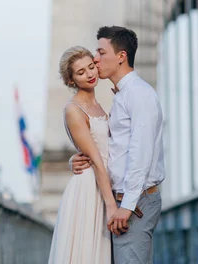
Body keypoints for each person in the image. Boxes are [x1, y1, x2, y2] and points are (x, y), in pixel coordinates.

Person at [70, 26, 165, 263]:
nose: (95, 58)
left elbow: (140, 153)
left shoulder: (139, 94)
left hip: (133, 202)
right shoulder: (123, 94)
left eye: (101, 53)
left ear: (121, 56)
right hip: (123, 200)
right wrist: (79, 158)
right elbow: (116, 148)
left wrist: (128, 205)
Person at [48, 46, 116, 264]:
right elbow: (95, 159)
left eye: (91, 67)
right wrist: (111, 205)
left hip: (103, 183)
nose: (89, 74)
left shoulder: (97, 105)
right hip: (90, 190)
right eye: (80, 72)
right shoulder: (73, 109)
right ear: (71, 81)